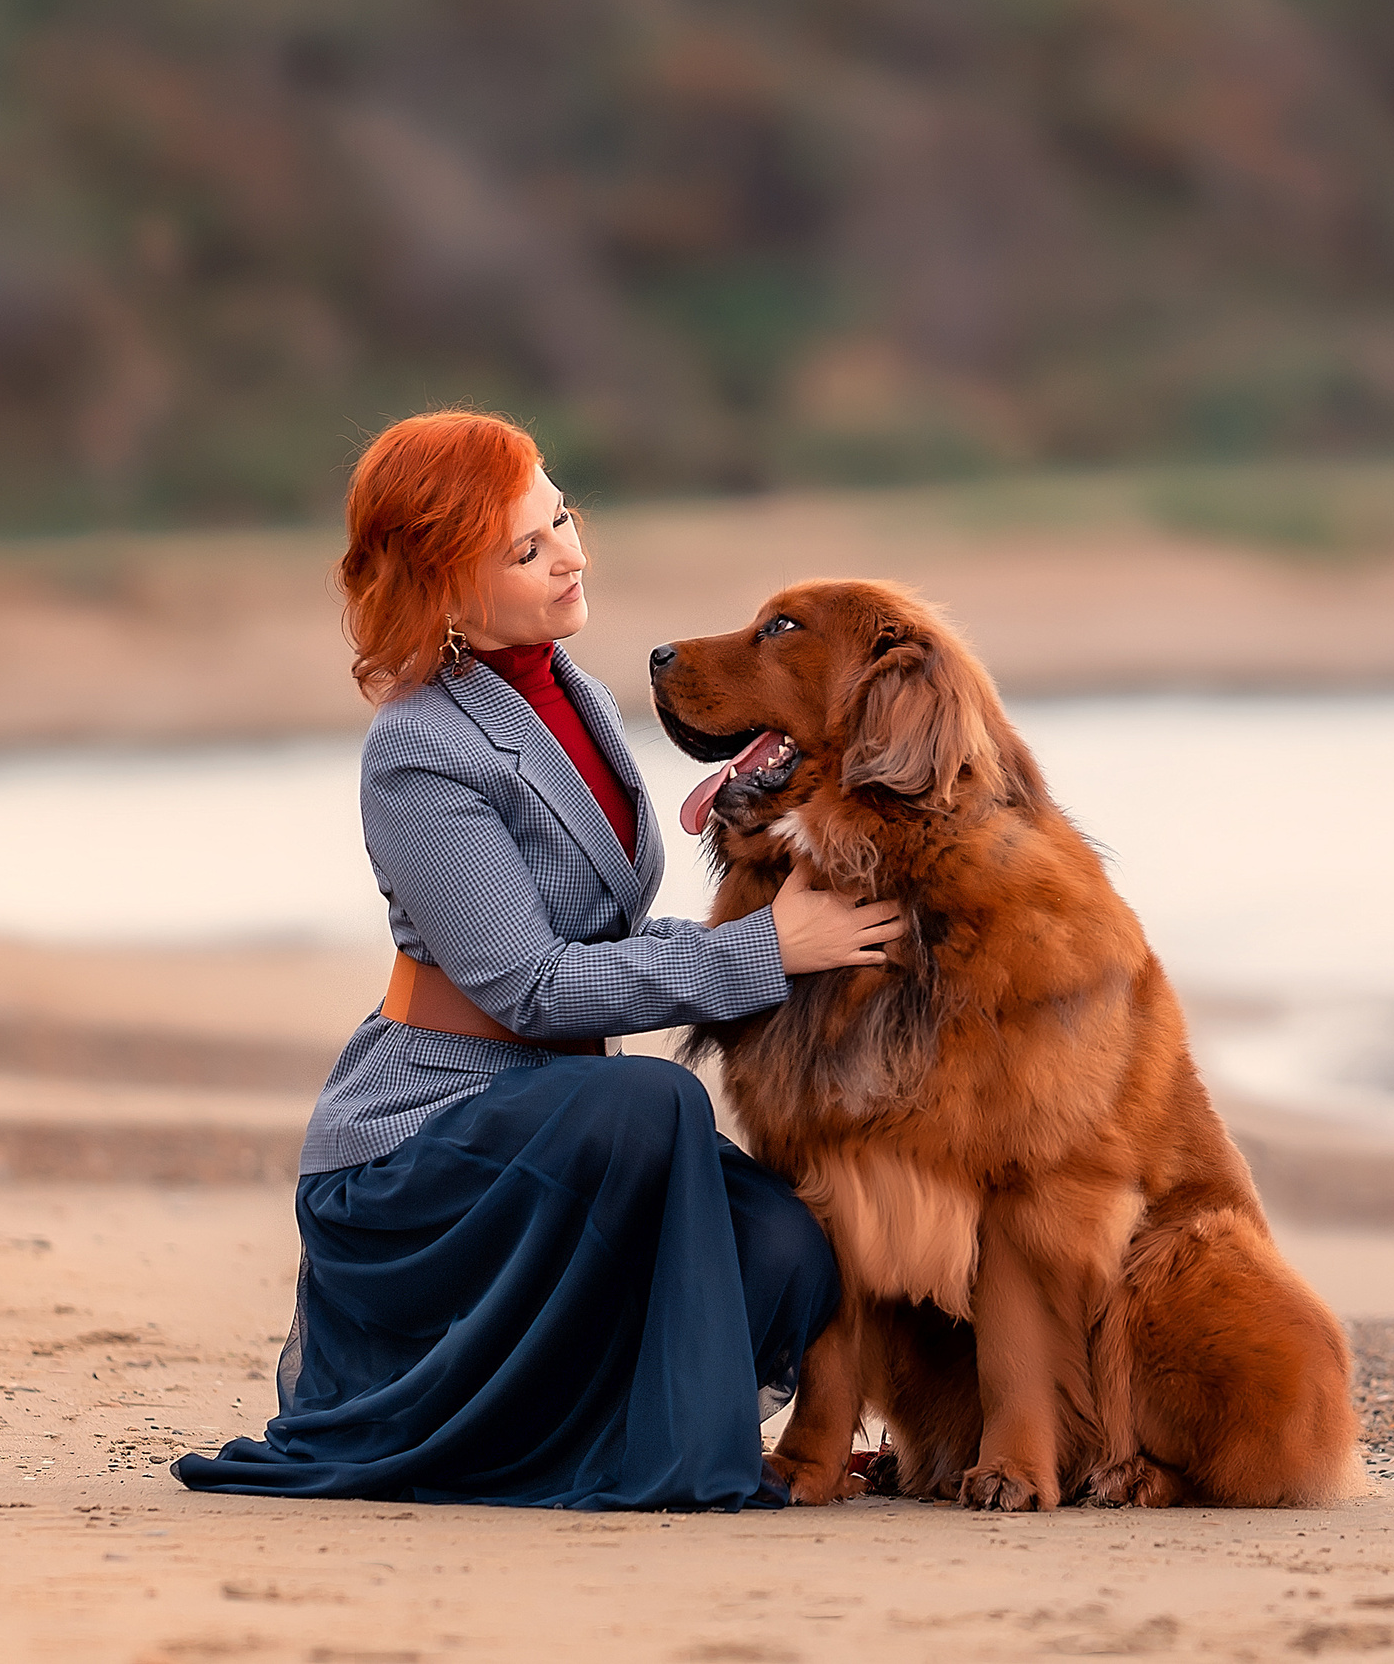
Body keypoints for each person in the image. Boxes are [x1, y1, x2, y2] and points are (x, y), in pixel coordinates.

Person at [173, 409, 902, 1509]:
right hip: (419, 1162)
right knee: (651, 1102)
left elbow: (602, 937)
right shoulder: (419, 749)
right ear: (443, 592)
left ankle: (592, 1428)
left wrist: (798, 942)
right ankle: (660, 1456)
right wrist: (760, 950)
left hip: (562, 1139)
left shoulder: (569, 693)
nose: (568, 550)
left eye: (559, 515)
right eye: (526, 548)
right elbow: (530, 983)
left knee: (789, 1247)